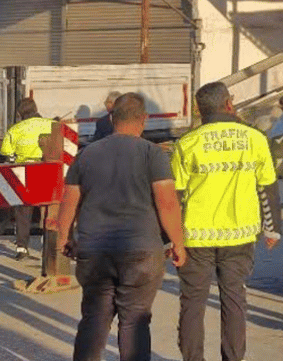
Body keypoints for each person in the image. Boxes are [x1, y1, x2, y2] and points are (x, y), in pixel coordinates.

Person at [57, 92, 186, 361]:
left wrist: (64, 237)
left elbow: (69, 202)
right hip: (141, 251)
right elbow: (167, 203)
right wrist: (178, 242)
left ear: (112, 118)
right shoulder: (153, 154)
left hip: (94, 251)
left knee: (94, 317)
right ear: (144, 120)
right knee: (135, 320)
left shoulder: (86, 155)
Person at [172, 82, 282, 361]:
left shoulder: (187, 143)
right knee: (234, 301)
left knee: (192, 303)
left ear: (198, 110)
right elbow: (267, 187)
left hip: (196, 237)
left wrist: (170, 239)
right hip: (240, 235)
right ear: (229, 104)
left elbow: (176, 196)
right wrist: (272, 229)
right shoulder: (255, 138)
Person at [2, 98, 57, 259]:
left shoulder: (14, 129)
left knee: (22, 209)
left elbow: (7, 153)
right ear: (36, 108)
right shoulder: (50, 124)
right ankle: (48, 245)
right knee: (48, 208)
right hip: (46, 169)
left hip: (24, 171)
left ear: (20, 114)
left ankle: (21, 247)